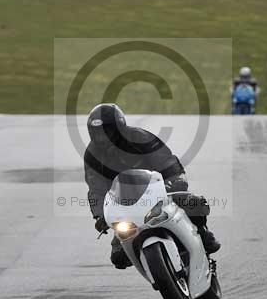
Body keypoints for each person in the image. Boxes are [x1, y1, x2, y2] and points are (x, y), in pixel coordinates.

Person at [83, 103, 221, 269]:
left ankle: (203, 231)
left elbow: (165, 159)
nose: (102, 138)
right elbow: (95, 189)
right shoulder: (92, 155)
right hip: (127, 205)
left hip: (160, 191)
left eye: (107, 132)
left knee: (194, 203)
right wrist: (99, 215)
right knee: (118, 257)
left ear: (119, 127)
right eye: (97, 134)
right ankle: (155, 266)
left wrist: (175, 179)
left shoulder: (139, 138)